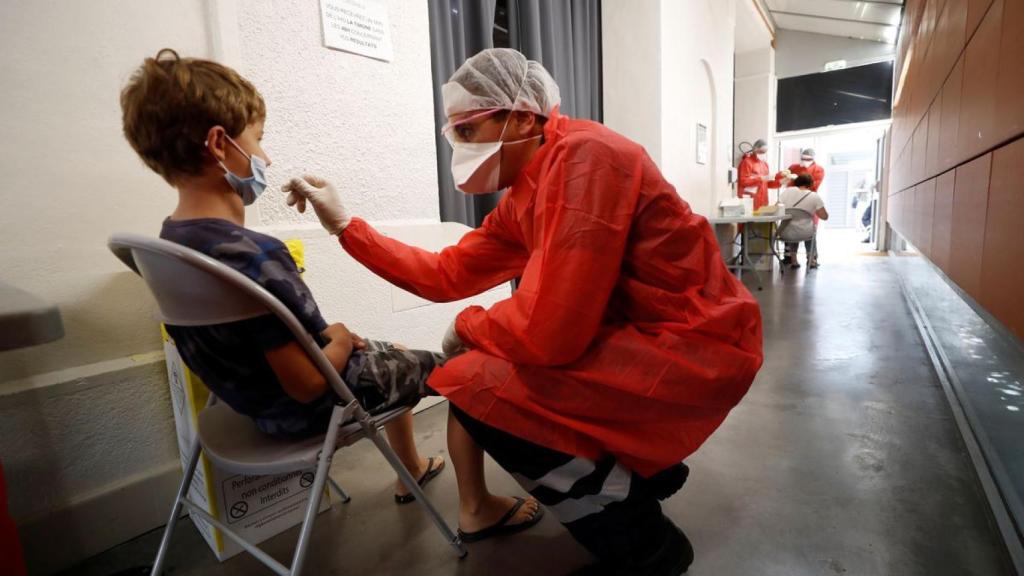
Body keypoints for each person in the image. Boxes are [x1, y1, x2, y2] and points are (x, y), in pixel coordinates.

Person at [284, 48, 763, 575]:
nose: (460, 146)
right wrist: (346, 227)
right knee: (476, 373)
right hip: (637, 333)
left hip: (690, 340)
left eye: (468, 130)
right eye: (455, 134)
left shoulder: (587, 159)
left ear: (521, 117)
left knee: (477, 385)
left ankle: (645, 545)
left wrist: (469, 326)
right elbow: (447, 273)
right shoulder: (529, 188)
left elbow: (551, 331)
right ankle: (635, 477)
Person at [119, 49, 542, 534]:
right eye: (258, 140)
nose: (265, 158)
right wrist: (338, 336)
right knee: (461, 373)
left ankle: (412, 468)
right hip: (306, 408)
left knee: (393, 349)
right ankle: (477, 508)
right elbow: (308, 383)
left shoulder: (170, 244)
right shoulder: (256, 256)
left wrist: (343, 236)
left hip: (247, 405)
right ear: (219, 143)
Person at [778, 174, 829, 269]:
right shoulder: (814, 196)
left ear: (796, 182)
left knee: (792, 226)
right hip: (805, 233)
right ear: (811, 184)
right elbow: (824, 217)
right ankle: (811, 260)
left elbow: (777, 207)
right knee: (810, 230)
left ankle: (793, 260)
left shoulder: (788, 191)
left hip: (785, 232)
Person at [737, 138, 784, 209]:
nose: (763, 154)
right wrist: (761, 178)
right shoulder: (746, 162)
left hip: (763, 202)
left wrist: (780, 182)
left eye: (765, 152)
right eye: (761, 152)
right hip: (750, 202)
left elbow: (767, 184)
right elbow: (743, 181)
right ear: (755, 149)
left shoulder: (765, 164)